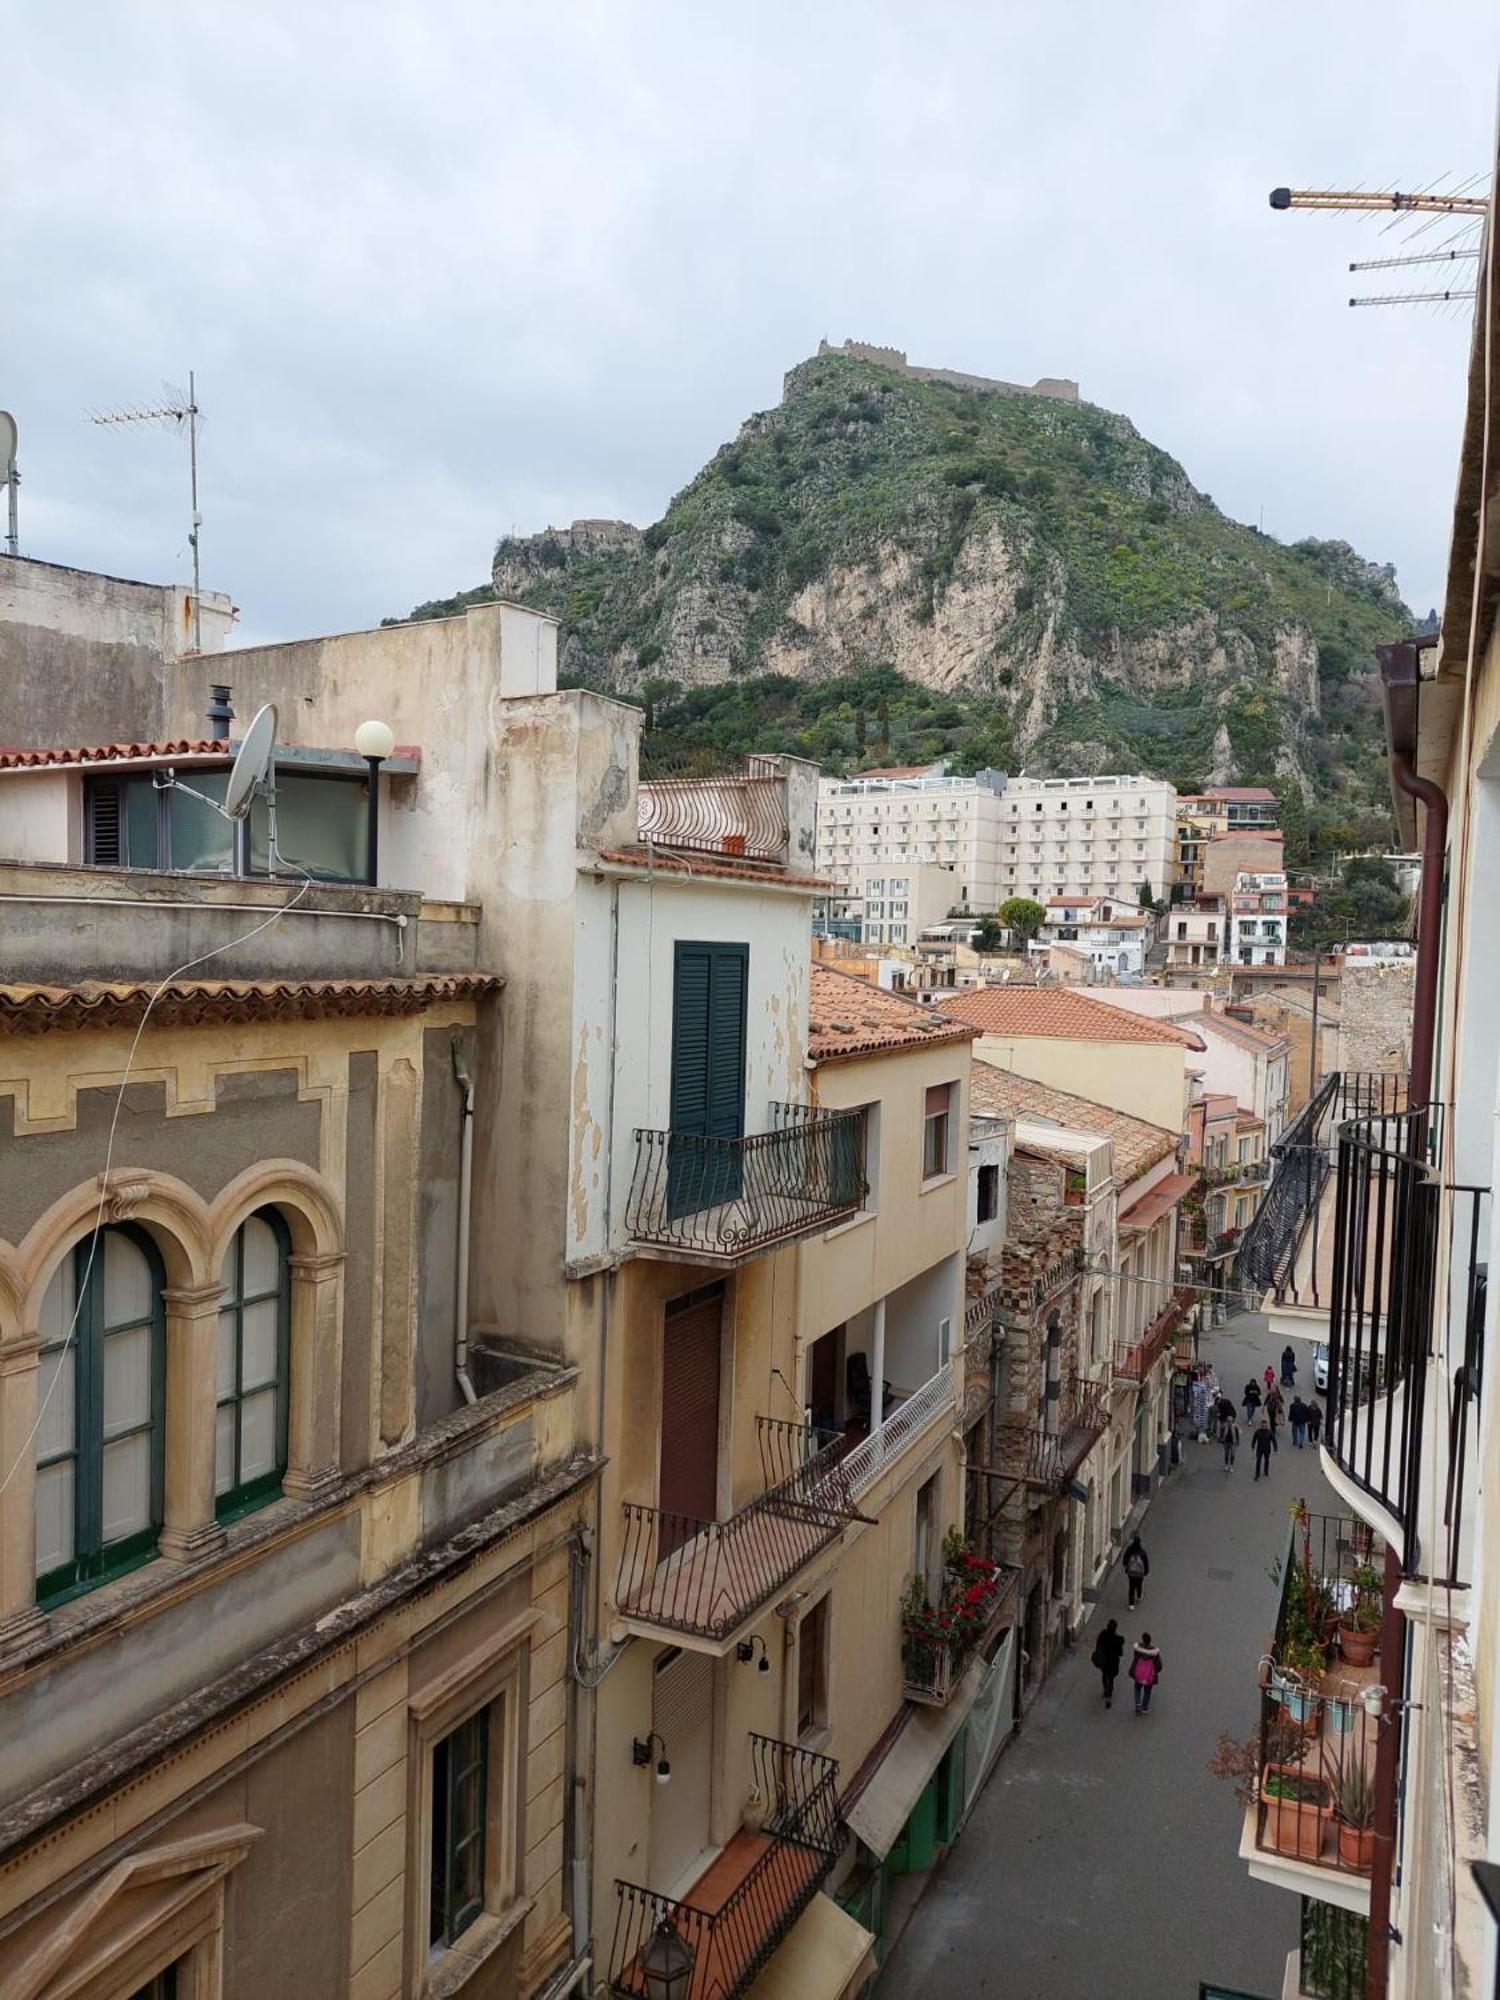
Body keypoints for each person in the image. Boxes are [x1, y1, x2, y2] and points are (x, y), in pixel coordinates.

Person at [1091, 1617, 1125, 1708]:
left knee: (1104, 1674)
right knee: (1111, 1678)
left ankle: (1105, 1689)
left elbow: (1098, 1645)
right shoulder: (1118, 1639)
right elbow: (1120, 1653)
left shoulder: (1103, 1634)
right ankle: (1109, 1696)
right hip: (1113, 1661)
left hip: (1104, 1659)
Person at [1130, 1632, 1163, 1713]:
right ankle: (1144, 1707)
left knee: (1137, 1688)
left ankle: (1138, 1705)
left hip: (1139, 1673)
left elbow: (1135, 1658)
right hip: (1149, 1675)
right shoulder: (1154, 1652)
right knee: (1147, 1691)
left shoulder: (1138, 1649)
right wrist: (1155, 1671)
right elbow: (1159, 1666)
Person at [1123, 1534, 1150, 1607]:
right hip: (1140, 1573)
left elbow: (1125, 1560)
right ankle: (1139, 1595)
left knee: (1131, 1587)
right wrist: (1146, 1571)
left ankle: (1131, 1604)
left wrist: (1126, 1566)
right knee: (1139, 1584)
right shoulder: (1142, 1552)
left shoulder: (1130, 1550)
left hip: (1131, 1572)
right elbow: (1145, 1562)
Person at [1252, 1415, 1275, 1480]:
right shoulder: (1257, 1431)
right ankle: (1257, 1473)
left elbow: (1274, 1440)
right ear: (1261, 1425)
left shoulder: (1270, 1432)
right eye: (1262, 1426)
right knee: (1258, 1461)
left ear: (1267, 1426)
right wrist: (1253, 1446)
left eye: (1265, 1426)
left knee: (1267, 1460)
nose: (1264, 1427)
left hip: (1267, 1449)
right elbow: (1254, 1439)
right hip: (1259, 1449)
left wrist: (1275, 1449)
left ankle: (1266, 1471)